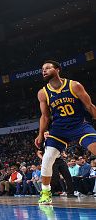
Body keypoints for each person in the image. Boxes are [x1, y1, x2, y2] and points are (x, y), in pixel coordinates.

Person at [35, 60, 96, 204]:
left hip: (79, 125)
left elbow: (89, 105)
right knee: (48, 158)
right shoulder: (43, 93)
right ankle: (45, 193)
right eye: (42, 69)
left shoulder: (74, 85)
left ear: (57, 69)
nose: (44, 70)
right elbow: (45, 116)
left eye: (48, 68)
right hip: (59, 130)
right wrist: (40, 134)